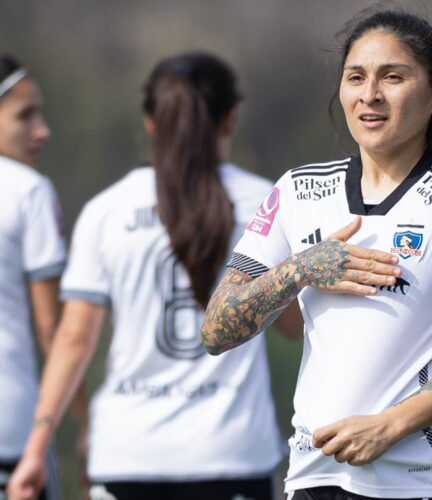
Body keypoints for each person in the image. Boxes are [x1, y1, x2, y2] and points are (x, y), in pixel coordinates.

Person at [201, 9, 432, 500]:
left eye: (392, 77)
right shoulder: (297, 189)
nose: (369, 94)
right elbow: (215, 330)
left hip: (416, 482)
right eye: (356, 77)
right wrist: (299, 270)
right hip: (312, 477)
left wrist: (387, 427)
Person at [8, 51, 300, 500]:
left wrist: (37, 446)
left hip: (127, 455)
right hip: (231, 454)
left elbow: (72, 341)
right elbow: (292, 326)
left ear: (148, 122)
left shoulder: (107, 210)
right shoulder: (267, 202)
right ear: (230, 119)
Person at [0, 53, 84, 500]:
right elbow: (55, 330)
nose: (42, 130)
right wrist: (88, 428)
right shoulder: (26, 189)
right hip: (11, 436)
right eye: (24, 115)